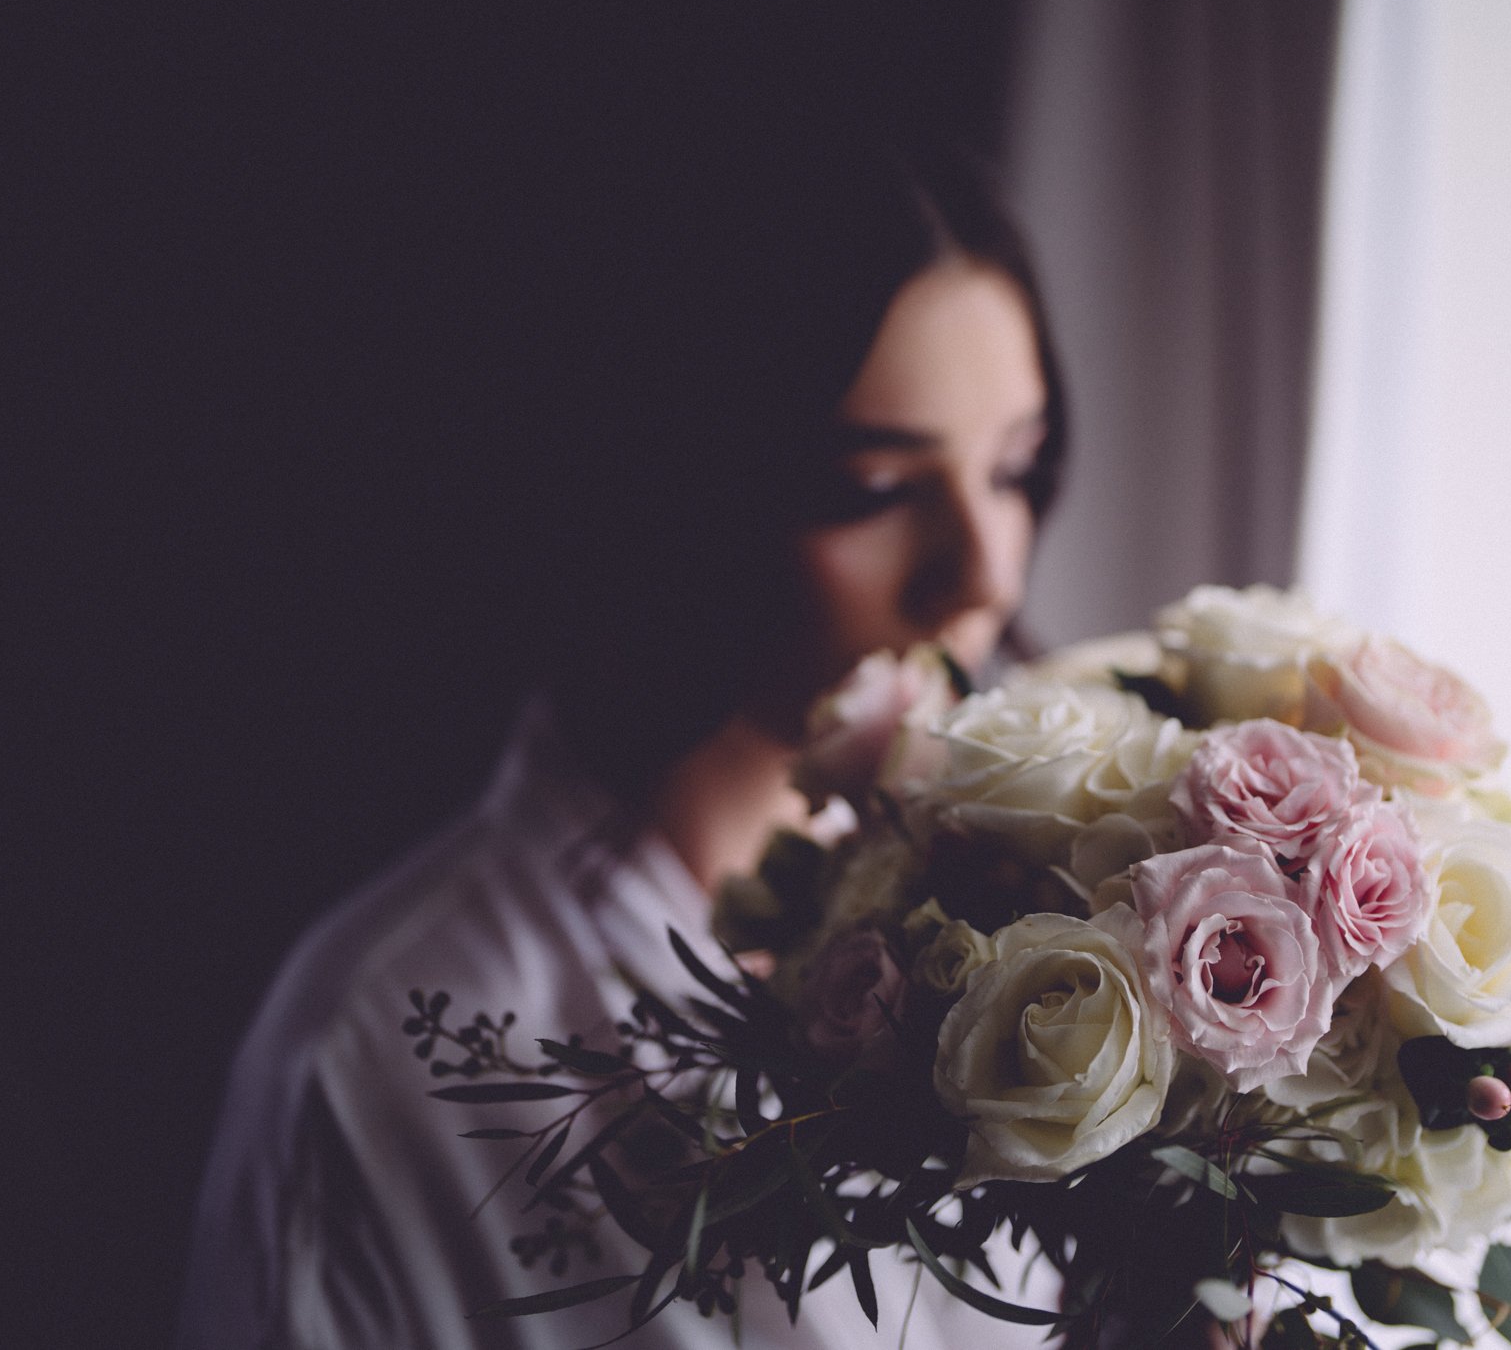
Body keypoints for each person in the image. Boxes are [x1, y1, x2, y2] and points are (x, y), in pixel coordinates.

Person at [176, 108, 1070, 1349]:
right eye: (871, 489)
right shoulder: (393, 1044)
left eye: (1013, 470)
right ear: (690, 487)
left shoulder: (1052, 920)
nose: (983, 576)